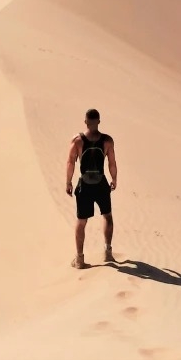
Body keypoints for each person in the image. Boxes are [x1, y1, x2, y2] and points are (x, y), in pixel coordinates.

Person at [65, 108, 117, 269]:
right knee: (107, 216)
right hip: (101, 183)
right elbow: (112, 163)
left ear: (85, 121)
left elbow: (71, 162)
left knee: (81, 221)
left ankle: (79, 259)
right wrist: (114, 179)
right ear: (99, 121)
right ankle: (108, 252)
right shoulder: (107, 140)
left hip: (85, 185)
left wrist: (68, 182)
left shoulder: (77, 140)